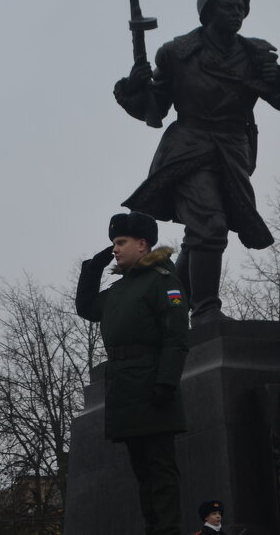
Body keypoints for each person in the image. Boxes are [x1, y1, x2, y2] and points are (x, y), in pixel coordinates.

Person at [114, 0, 280, 325]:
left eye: (241, 9)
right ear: (208, 12)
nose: (237, 14)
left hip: (233, 151)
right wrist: (136, 86)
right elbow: (155, 107)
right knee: (209, 226)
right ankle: (205, 311)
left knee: (204, 233)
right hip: (189, 147)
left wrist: (277, 78)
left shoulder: (255, 54)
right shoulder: (178, 53)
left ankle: (168, 308)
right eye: (228, 7)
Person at [75, 211, 189, 535]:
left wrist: (166, 382)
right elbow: (86, 307)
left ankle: (167, 530)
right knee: (142, 472)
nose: (115, 249)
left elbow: (176, 337)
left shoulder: (163, 281)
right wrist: (93, 267)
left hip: (153, 387)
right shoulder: (119, 291)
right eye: (113, 243)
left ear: (142, 245)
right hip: (125, 389)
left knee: (161, 470)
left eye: (120, 242)